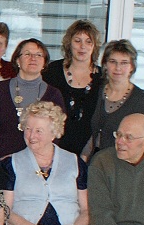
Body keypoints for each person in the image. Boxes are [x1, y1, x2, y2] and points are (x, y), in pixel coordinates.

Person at [0, 102, 90, 225]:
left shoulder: (75, 162)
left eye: (38, 131)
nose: (31, 136)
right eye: (28, 129)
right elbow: (4, 211)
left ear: (53, 133)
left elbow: (86, 211)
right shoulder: (10, 164)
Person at [88, 113, 144, 225]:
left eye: (129, 137)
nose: (120, 141)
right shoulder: (102, 162)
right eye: (118, 134)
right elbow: (100, 216)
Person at [0, 38, 65, 158]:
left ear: (44, 63)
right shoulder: (0, 90)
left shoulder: (54, 95)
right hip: (4, 160)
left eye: (39, 55)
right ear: (17, 60)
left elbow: (56, 133)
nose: (33, 58)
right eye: (27, 54)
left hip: (40, 162)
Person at [43, 20, 103, 155]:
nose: (83, 47)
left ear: (94, 46)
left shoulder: (102, 78)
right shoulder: (52, 72)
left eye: (88, 42)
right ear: (69, 44)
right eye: (77, 41)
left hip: (88, 153)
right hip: (53, 148)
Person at [90, 40, 144, 154]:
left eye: (124, 63)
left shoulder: (142, 100)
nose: (118, 68)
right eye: (113, 62)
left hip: (123, 165)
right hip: (94, 162)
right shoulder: (95, 91)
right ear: (105, 64)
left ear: (132, 67)